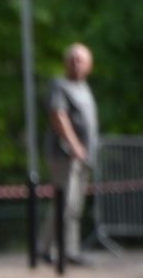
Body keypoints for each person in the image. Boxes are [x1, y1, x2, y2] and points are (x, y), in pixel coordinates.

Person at [39, 43, 99, 265]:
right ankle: (45, 248)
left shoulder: (84, 88)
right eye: (72, 59)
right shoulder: (59, 86)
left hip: (84, 157)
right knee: (63, 203)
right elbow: (58, 115)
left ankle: (70, 250)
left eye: (80, 59)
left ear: (89, 65)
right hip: (65, 155)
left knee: (75, 207)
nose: (75, 63)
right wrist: (73, 144)